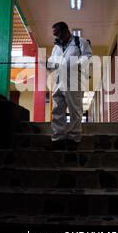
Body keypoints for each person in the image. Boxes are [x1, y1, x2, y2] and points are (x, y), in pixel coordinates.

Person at [47, 22, 92, 150]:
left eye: (58, 33)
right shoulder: (56, 47)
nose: (57, 37)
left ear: (66, 31)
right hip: (58, 80)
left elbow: (88, 56)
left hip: (74, 80)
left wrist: (75, 64)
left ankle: (74, 138)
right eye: (55, 35)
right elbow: (52, 62)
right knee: (57, 110)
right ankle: (58, 137)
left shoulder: (80, 42)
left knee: (75, 110)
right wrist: (48, 64)